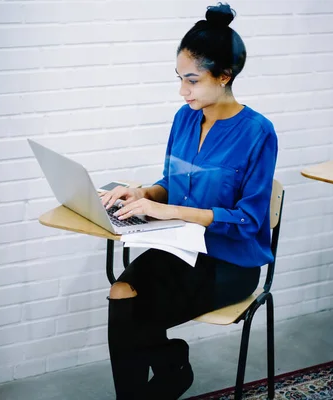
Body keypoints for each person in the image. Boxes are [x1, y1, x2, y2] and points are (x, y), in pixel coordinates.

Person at [99, 3, 278, 399]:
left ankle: (168, 372)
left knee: (136, 315)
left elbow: (248, 220)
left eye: (192, 81)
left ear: (224, 76)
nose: (183, 91)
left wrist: (168, 210)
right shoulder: (185, 118)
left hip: (230, 260)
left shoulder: (258, 133)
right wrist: (144, 193)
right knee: (121, 294)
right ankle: (171, 365)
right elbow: (172, 182)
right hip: (181, 247)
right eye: (180, 79)